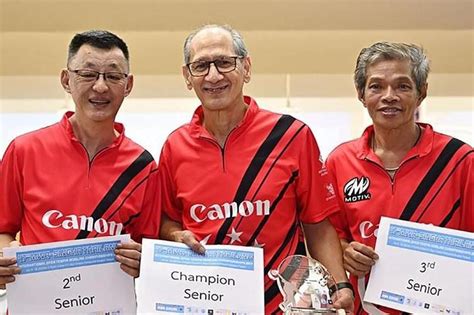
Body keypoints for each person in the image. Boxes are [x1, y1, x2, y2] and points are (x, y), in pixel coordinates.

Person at [158, 24, 354, 314]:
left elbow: (317, 223)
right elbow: (165, 221)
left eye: (225, 62)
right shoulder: (174, 147)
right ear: (188, 76)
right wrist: (176, 236)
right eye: (201, 66)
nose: (213, 76)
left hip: (284, 305)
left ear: (246, 68)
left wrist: (341, 285)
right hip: (206, 303)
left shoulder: (292, 135)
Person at [0, 30, 160, 288]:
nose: (100, 86)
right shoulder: (24, 150)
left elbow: (146, 249)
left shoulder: (143, 167)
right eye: (87, 74)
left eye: (113, 76)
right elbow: (2, 229)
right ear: (66, 80)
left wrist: (144, 262)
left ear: (128, 85)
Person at [326, 42, 473, 315]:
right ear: (361, 94)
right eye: (376, 86)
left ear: (422, 93)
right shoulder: (339, 161)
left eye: (403, 86)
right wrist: (346, 252)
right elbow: (330, 236)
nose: (389, 96)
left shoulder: (460, 160)